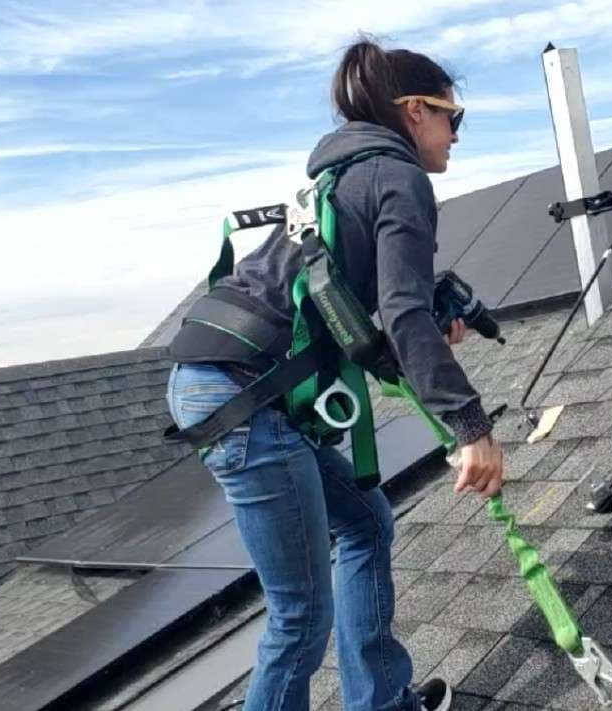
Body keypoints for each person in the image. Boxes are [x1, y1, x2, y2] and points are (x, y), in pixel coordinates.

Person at [166, 37, 505, 711]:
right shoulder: (398, 175)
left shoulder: (344, 175)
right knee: (298, 617)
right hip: (243, 397)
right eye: (452, 117)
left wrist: (420, 328)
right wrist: (471, 425)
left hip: (220, 377)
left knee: (365, 521)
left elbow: (354, 319)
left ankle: (380, 701)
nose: (456, 136)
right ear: (414, 112)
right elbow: (404, 311)